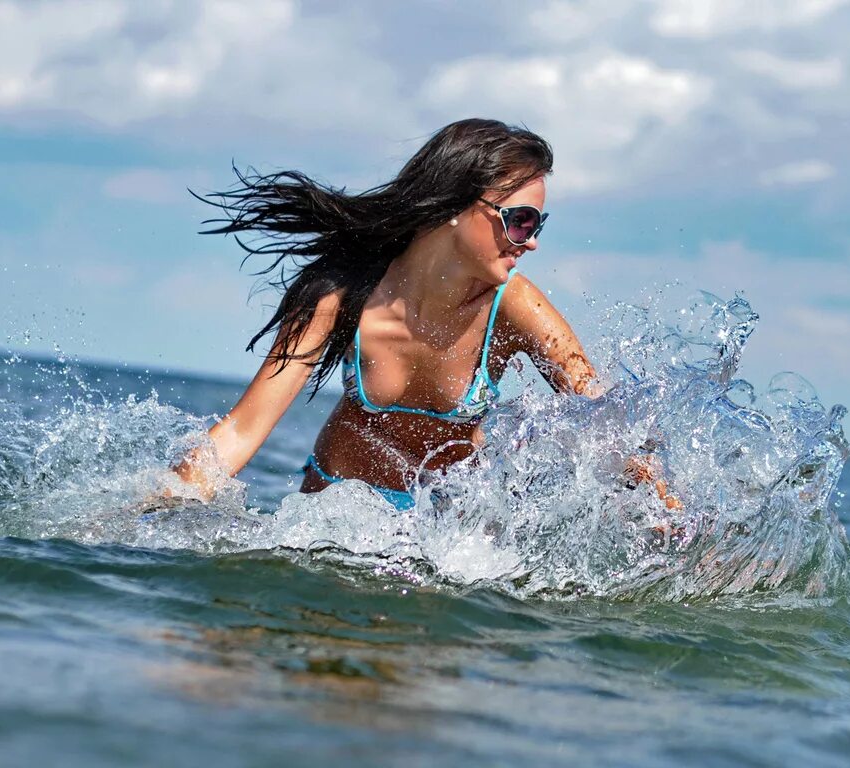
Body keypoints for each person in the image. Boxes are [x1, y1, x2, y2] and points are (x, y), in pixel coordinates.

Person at [171, 118, 677, 512]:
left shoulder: (516, 306)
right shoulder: (340, 294)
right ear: (457, 206)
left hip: (447, 536)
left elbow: (603, 421)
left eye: (537, 222)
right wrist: (162, 504)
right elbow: (242, 428)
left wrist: (671, 513)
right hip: (333, 517)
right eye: (519, 221)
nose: (533, 240)